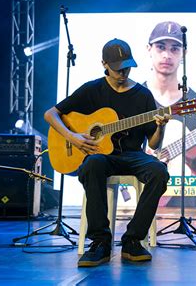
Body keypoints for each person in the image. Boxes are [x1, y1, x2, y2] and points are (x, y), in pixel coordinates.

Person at [44, 39, 170, 267]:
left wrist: (161, 126)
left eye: (127, 67)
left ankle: (132, 240)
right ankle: (100, 242)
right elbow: (51, 114)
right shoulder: (92, 89)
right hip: (101, 156)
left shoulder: (143, 95)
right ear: (104, 64)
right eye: (117, 67)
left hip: (132, 155)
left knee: (159, 171)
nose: (123, 72)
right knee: (93, 164)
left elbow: (154, 143)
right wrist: (73, 136)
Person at [144, 21, 196, 204]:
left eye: (174, 49)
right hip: (132, 207)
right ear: (148, 49)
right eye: (160, 47)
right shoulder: (133, 99)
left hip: (182, 212)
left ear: (184, 54)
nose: (167, 55)